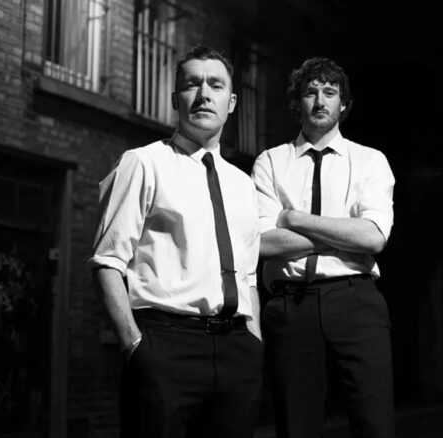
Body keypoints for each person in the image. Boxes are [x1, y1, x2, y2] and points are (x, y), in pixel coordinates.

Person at [88, 45, 262, 438]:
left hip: (237, 351)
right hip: (165, 346)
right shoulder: (143, 163)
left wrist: (254, 343)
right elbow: (106, 262)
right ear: (175, 99)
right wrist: (135, 346)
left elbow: (248, 277)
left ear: (232, 102)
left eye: (215, 85)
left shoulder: (243, 184)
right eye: (192, 84)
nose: (204, 94)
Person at [252, 57, 396, 438]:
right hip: (291, 304)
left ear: (343, 103)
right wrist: (343, 233)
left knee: (375, 425)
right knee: (296, 427)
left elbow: (373, 237)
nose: (320, 101)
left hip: (356, 300)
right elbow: (264, 243)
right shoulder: (270, 162)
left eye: (329, 92)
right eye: (310, 92)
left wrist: (293, 218)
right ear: (296, 102)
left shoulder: (370, 161)